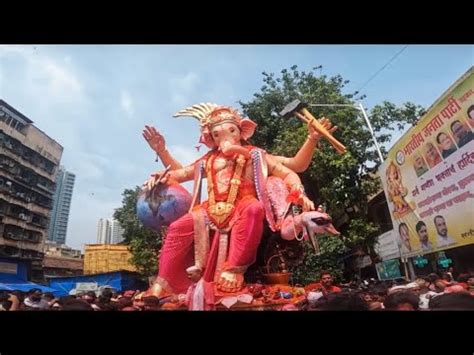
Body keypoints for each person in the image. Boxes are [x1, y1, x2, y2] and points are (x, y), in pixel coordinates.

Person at [142, 103, 323, 299]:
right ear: (210, 138)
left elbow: (295, 166)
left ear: (242, 131)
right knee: (178, 227)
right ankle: (163, 284)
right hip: (209, 209)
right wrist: (162, 153)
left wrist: (311, 139)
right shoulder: (208, 159)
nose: (224, 138)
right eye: (217, 134)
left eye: (231, 131)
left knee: (254, 208)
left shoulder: (256, 155)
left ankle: (234, 271)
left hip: (242, 206)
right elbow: (181, 173)